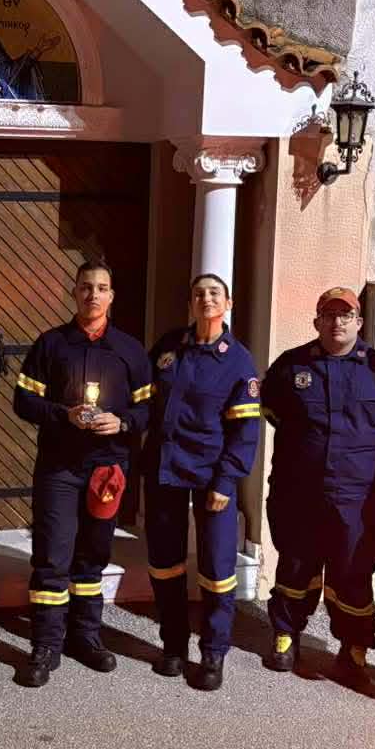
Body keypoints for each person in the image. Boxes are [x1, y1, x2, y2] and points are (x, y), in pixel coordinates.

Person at [12, 260, 153, 688]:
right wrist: (63, 414)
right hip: (60, 467)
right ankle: (45, 644)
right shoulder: (51, 344)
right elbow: (23, 401)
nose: (93, 294)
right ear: (74, 292)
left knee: (93, 555)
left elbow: (149, 408)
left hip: (106, 469)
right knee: (52, 557)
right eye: (86, 287)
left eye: (102, 288)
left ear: (112, 296)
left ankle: (85, 637)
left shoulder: (130, 350)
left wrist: (123, 422)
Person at [259, 287, 375, 686]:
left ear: (359, 322)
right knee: (295, 567)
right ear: (317, 322)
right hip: (299, 493)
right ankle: (285, 635)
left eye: (346, 315)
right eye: (329, 315)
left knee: (353, 575)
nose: (337, 322)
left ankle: (354, 648)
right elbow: (273, 413)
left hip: (357, 499)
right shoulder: (290, 367)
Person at [143, 274, 261, 691]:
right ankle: (173, 646)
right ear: (191, 304)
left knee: (217, 569)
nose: (205, 299)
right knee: (165, 564)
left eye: (214, 293)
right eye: (198, 294)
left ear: (227, 304)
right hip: (165, 470)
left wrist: (226, 482)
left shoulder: (238, 361)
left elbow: (246, 432)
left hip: (213, 476)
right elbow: (144, 399)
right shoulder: (169, 347)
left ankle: (213, 653)